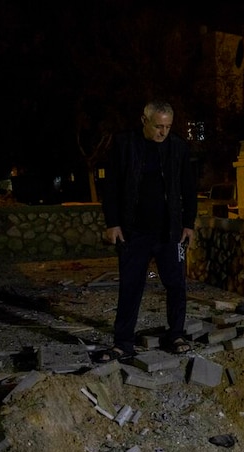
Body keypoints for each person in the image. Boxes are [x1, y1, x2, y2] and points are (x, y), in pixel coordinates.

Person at [98, 100, 197, 360]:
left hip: (170, 232)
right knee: (130, 286)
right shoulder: (124, 145)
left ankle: (175, 334)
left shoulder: (177, 148)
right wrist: (112, 223)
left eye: (168, 126)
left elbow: (188, 187)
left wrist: (189, 224)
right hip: (134, 232)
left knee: (176, 284)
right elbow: (111, 188)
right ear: (144, 121)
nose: (163, 132)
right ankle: (123, 342)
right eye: (158, 126)